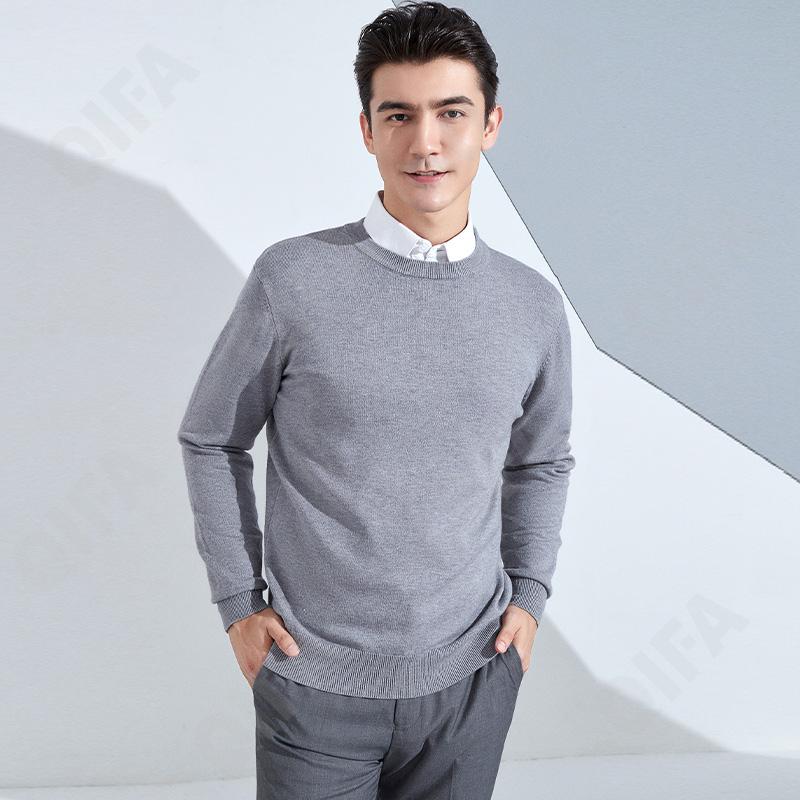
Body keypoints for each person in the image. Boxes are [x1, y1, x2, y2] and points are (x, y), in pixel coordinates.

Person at [177, 2, 576, 797]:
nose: (425, 142)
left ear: (490, 125)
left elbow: (541, 462)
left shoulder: (532, 305)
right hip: (313, 680)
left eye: (451, 113)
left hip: (473, 678)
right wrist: (238, 604)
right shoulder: (293, 280)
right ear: (367, 130)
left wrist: (529, 597)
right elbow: (211, 439)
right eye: (399, 115)